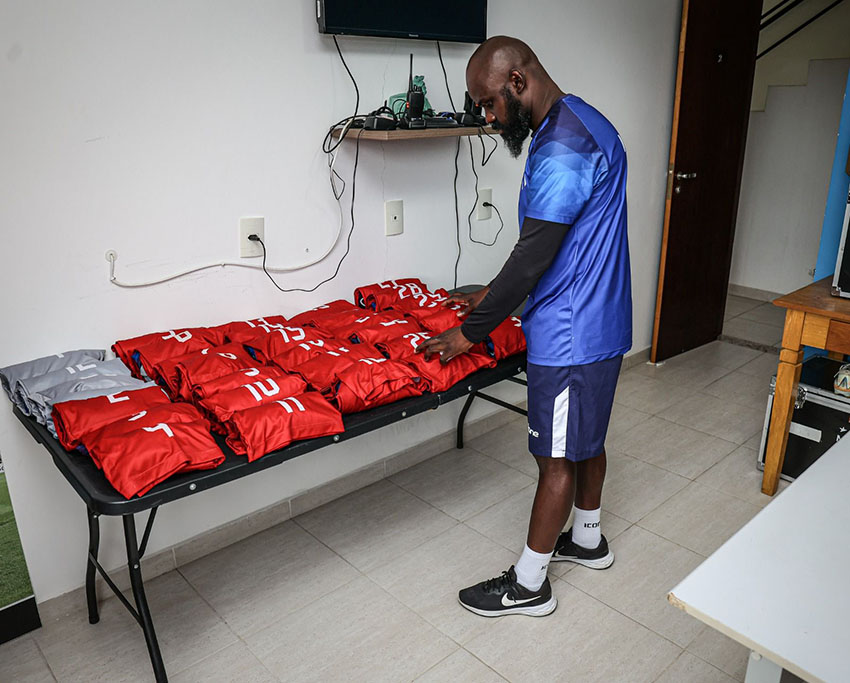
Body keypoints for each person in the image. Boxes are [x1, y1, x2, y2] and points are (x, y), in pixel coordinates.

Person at [416, 35, 632, 617]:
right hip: (602, 323)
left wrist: (470, 331)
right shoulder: (584, 120)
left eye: (488, 104)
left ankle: (529, 585)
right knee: (585, 440)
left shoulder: (562, 146)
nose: (487, 119)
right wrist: (490, 293)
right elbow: (560, 243)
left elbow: (535, 256)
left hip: (570, 331)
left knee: (555, 458)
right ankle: (587, 542)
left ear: (518, 82)